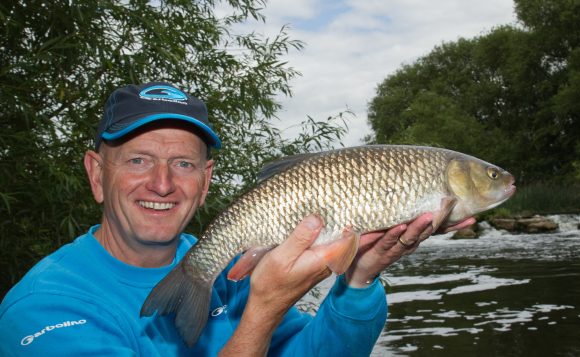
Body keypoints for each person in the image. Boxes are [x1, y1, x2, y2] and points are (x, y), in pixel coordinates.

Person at [0, 82, 474, 356]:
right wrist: (262, 313)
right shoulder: (47, 310)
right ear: (96, 174)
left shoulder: (230, 268)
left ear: (206, 182)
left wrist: (359, 279)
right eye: (138, 160)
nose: (162, 184)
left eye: (183, 164)